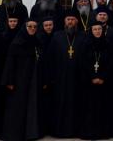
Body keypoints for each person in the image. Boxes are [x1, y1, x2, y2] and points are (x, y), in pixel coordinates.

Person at [47, 10, 86, 138]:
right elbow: (51, 57)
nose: (70, 22)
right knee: (60, 104)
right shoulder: (57, 35)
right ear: (64, 21)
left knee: (76, 104)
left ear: (77, 21)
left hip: (77, 78)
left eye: (73, 19)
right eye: (68, 19)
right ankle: (59, 130)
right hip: (60, 78)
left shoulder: (83, 36)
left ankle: (75, 130)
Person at [1, 20, 41, 141]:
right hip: (18, 81)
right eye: (30, 26)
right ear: (25, 27)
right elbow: (10, 63)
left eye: (35, 26)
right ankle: (14, 134)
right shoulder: (17, 43)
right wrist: (9, 81)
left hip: (33, 80)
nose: (32, 28)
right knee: (17, 108)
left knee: (31, 107)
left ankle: (30, 133)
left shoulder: (37, 42)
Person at [80, 20, 113, 140]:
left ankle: (102, 132)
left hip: (104, 82)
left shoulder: (108, 44)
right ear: (91, 31)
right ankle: (88, 132)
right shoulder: (85, 44)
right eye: (95, 29)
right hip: (89, 83)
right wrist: (92, 77)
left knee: (103, 107)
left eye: (99, 29)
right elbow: (83, 63)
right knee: (89, 108)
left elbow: (111, 63)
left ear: (103, 30)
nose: (97, 31)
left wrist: (103, 77)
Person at [36, 17, 54, 138]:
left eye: (50, 25)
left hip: (55, 75)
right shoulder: (38, 38)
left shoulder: (57, 37)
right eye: (46, 25)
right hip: (42, 75)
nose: (48, 27)